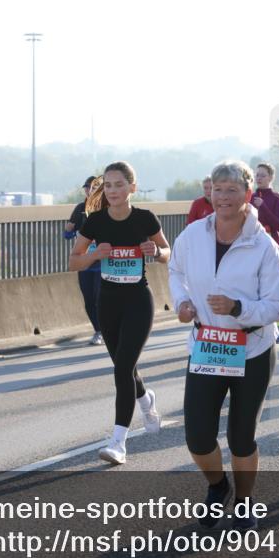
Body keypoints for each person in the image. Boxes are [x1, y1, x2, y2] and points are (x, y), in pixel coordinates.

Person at [168, 160, 279, 531]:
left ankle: (245, 500)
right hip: (207, 345)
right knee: (198, 436)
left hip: (251, 348)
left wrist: (239, 309)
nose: (223, 197)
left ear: (247, 195)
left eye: (232, 190)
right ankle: (218, 487)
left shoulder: (263, 245)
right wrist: (182, 303)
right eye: (218, 189)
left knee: (241, 436)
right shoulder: (192, 235)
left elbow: (276, 304)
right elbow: (175, 271)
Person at [69, 161, 168, 465]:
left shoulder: (145, 219)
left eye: (119, 185)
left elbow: (168, 253)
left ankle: (118, 443)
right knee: (125, 368)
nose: (112, 191)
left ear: (132, 188)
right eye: (107, 185)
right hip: (108, 302)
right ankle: (146, 399)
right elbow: (74, 262)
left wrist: (157, 252)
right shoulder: (95, 222)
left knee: (122, 369)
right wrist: (94, 254)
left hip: (138, 300)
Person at [64, 175, 105, 346]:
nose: (89, 190)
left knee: (99, 298)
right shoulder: (80, 209)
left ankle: (104, 329)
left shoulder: (106, 209)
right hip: (84, 262)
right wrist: (69, 231)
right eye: (87, 188)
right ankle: (98, 330)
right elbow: (67, 234)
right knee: (88, 299)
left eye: (93, 187)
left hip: (102, 263)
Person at [253, 162, 279, 343]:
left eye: (262, 175)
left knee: (272, 291)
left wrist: (263, 206)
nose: (259, 178)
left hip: (273, 248)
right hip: (253, 250)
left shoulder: (275, 197)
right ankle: (259, 328)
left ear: (271, 178)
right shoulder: (249, 198)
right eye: (257, 175)